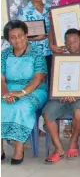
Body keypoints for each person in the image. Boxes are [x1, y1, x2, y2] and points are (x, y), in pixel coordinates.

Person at [41, 29, 80, 164]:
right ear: (65, 44)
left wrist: (78, 93)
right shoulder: (59, 60)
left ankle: (74, 141)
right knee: (48, 113)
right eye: (68, 42)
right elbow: (55, 82)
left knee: (79, 112)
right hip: (61, 97)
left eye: (74, 42)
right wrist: (60, 94)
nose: (71, 45)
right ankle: (58, 148)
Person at [1, 20, 48, 164]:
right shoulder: (4, 54)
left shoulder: (36, 53)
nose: (17, 40)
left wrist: (20, 93)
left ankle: (18, 149)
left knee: (21, 107)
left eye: (20, 35)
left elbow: (38, 78)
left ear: (26, 35)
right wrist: (6, 94)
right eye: (13, 37)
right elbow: (1, 79)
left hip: (34, 90)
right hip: (8, 89)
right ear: (8, 40)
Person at [17, 0, 52, 69]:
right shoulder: (24, 12)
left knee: (51, 80)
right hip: (32, 53)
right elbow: (19, 35)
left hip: (50, 52)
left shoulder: (50, 8)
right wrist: (36, 38)